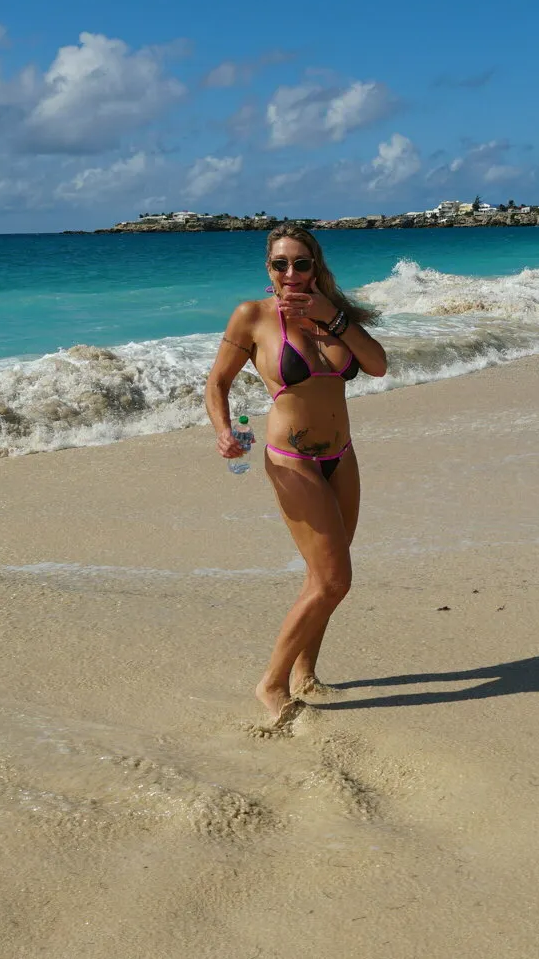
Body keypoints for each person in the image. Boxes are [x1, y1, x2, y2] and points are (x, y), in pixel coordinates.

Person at [205, 222, 389, 727]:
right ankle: (271, 683)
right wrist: (223, 431)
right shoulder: (252, 316)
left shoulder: (334, 313)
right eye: (280, 264)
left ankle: (306, 673)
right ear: (268, 269)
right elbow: (217, 383)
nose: (291, 273)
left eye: (300, 263)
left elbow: (377, 365)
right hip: (293, 461)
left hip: (342, 456)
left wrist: (331, 317)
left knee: (323, 576)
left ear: (315, 265)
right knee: (333, 580)